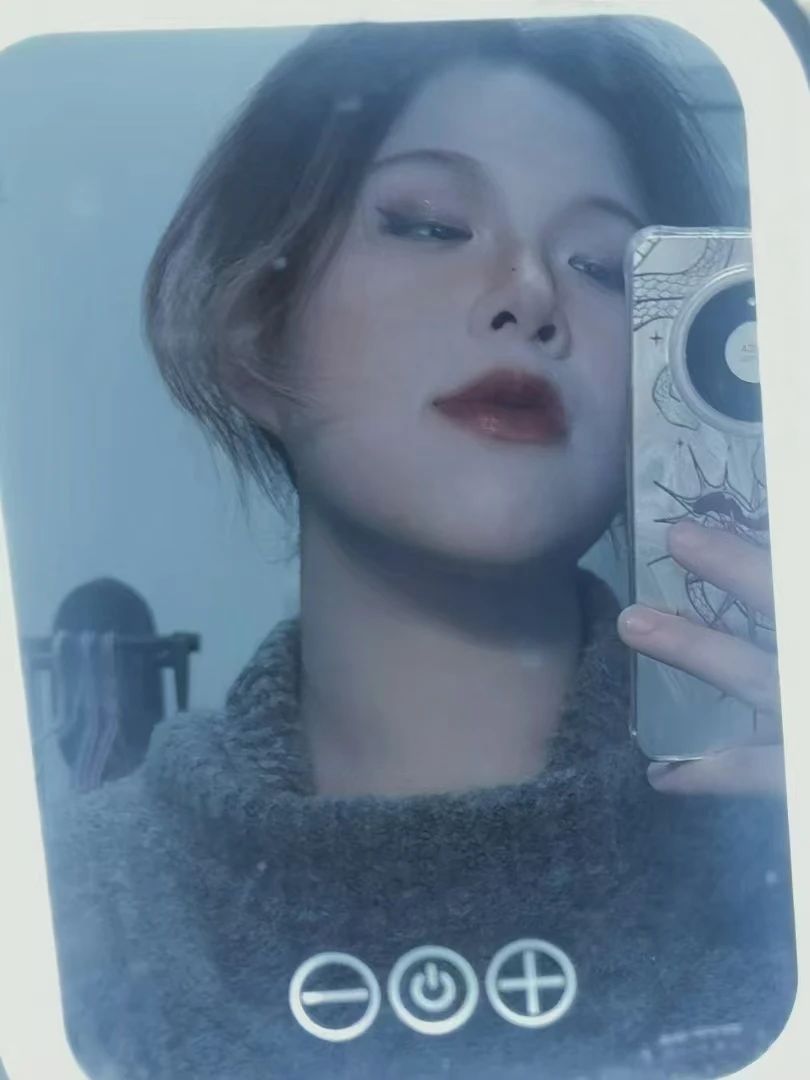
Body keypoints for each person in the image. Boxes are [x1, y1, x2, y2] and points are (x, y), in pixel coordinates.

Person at [44, 17, 795, 1080]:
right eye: (431, 225)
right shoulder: (55, 922)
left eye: (602, 266)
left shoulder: (777, 857)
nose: (530, 294)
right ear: (254, 334)